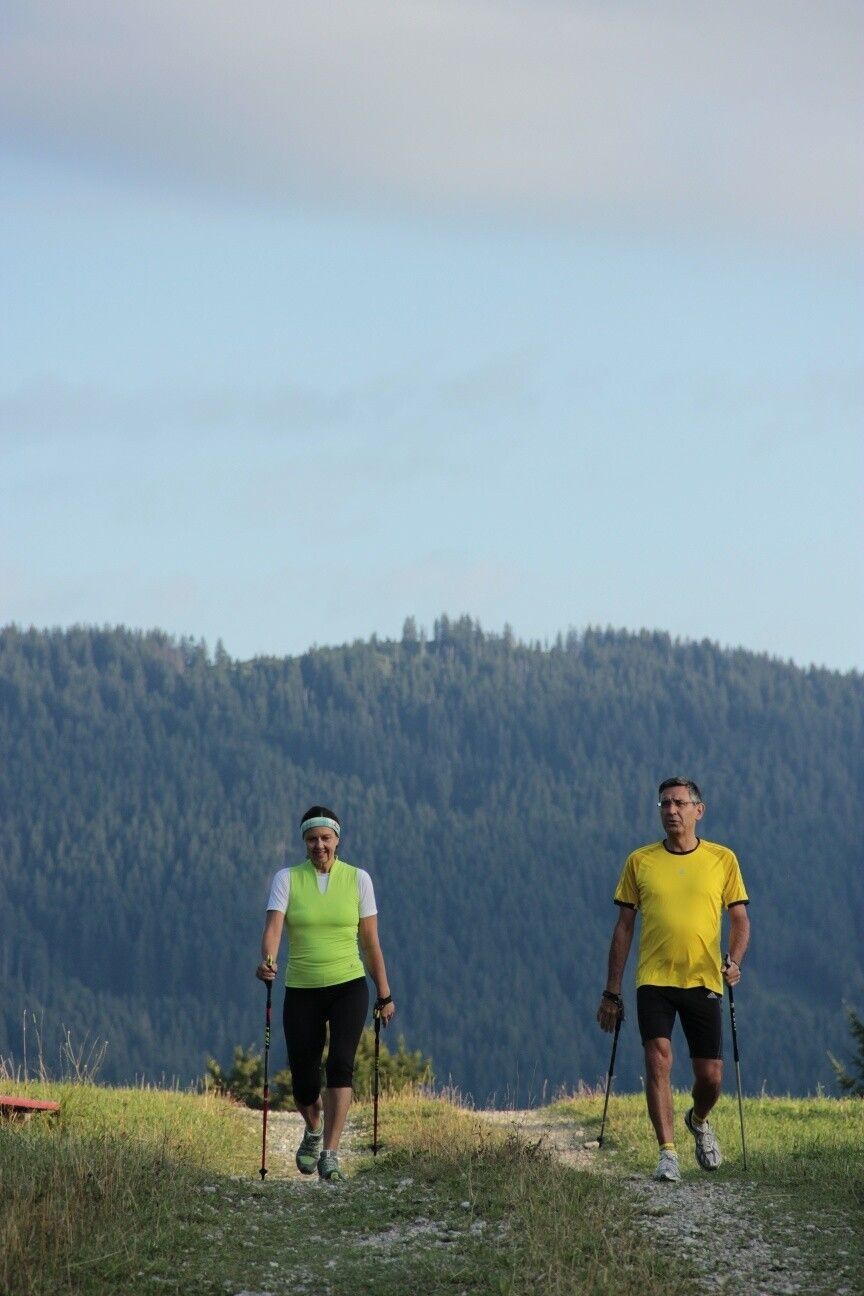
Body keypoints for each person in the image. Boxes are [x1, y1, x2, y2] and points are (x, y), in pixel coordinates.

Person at [596, 777, 750, 1182]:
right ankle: (667, 1153)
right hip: (654, 979)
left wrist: (734, 960)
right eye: (664, 803)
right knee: (658, 1058)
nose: (671, 810)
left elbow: (739, 919)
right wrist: (612, 990)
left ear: (699, 810)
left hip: (704, 979)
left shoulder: (722, 859)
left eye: (679, 803)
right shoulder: (640, 861)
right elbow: (623, 928)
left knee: (710, 1077)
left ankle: (698, 1120)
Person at [256, 804, 395, 1182]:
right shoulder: (287, 879)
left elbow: (370, 942)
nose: (319, 845)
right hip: (302, 988)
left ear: (337, 840)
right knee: (303, 1081)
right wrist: (268, 961)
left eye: (326, 838)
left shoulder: (358, 879)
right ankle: (314, 1128)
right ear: (304, 842)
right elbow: (273, 929)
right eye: (312, 839)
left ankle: (330, 1154)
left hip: (348, 985)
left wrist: (384, 994)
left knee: (340, 1065)